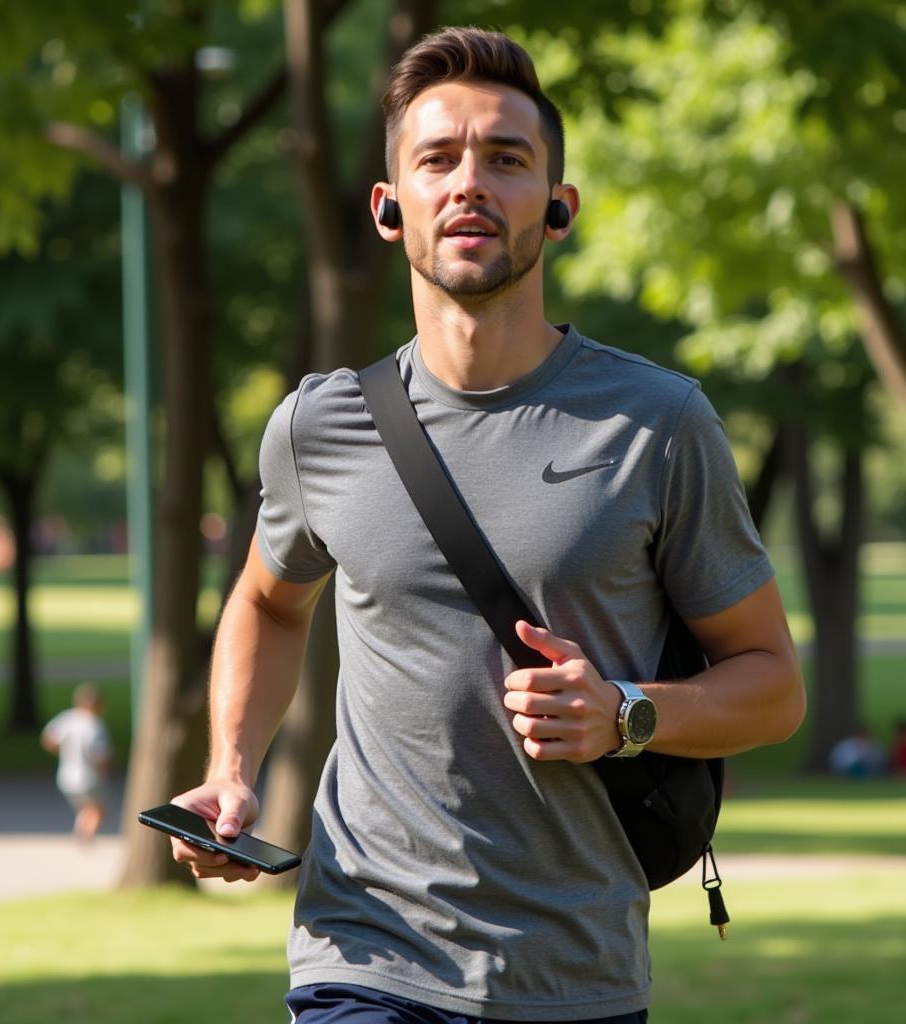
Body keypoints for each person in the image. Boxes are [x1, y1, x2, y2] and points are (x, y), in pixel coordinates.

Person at [169, 27, 806, 1024]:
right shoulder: (317, 425)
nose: (470, 182)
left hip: (575, 973)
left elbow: (771, 684)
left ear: (558, 208)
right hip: (364, 956)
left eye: (507, 160)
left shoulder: (660, 424)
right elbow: (267, 599)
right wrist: (230, 769)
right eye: (437, 158)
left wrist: (627, 712)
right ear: (389, 208)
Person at [40, 682, 113, 841]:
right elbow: (99, 754)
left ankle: (81, 833)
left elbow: (48, 739)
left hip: (66, 775)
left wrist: (63, 751)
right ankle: (85, 837)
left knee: (86, 808)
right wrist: (108, 765)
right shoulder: (95, 725)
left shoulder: (67, 719)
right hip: (89, 777)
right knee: (97, 810)